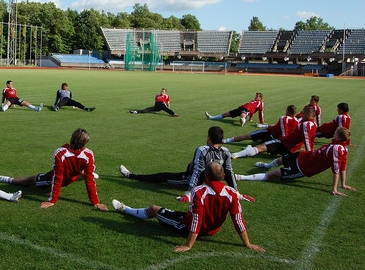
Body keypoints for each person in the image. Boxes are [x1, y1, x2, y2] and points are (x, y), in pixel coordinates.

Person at [112, 162, 265, 253]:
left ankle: (125, 209)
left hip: (187, 225)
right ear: (223, 176)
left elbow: (197, 219)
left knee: (154, 209)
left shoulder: (200, 191)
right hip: (212, 229)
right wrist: (248, 243)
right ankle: (126, 209)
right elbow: (238, 219)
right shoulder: (232, 193)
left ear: (205, 177)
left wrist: (188, 244)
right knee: (179, 213)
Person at [119, 126, 253, 202]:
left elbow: (197, 172)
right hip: (211, 184)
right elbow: (229, 172)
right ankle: (130, 175)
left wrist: (189, 193)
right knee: (166, 176)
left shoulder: (203, 150)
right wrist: (237, 192)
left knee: (163, 176)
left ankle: (130, 176)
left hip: (191, 180)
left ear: (209, 138)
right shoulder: (226, 151)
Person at [0, 128, 109, 211]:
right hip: (71, 177)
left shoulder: (61, 152)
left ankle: (6, 179)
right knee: (88, 173)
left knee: (28, 181)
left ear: (72, 138)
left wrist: (52, 200)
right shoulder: (88, 154)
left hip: (57, 179)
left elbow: (58, 178)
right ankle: (4, 179)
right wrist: (95, 202)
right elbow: (89, 180)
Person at [237, 127, 356, 197]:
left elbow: (338, 168)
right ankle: (266, 165)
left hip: (303, 167)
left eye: (335, 133)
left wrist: (336, 188)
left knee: (274, 174)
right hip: (302, 156)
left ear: (339, 137)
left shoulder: (337, 149)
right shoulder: (338, 146)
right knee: (280, 160)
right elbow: (342, 167)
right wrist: (343, 185)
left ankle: (242, 177)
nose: (333, 134)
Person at [230, 106, 316, 159]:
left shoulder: (304, 124)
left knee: (260, 147)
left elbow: (306, 139)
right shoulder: (313, 125)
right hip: (291, 149)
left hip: (283, 142)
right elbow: (310, 140)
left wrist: (309, 154)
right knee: (280, 161)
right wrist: (309, 151)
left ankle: (235, 154)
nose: (302, 114)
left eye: (304, 113)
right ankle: (266, 165)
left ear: (308, 114)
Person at [222, 105, 299, 144]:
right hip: (276, 138)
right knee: (260, 143)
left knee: (248, 136)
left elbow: (280, 129)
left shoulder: (284, 118)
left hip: (269, 133)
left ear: (288, 111)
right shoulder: (297, 121)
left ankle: (226, 140)